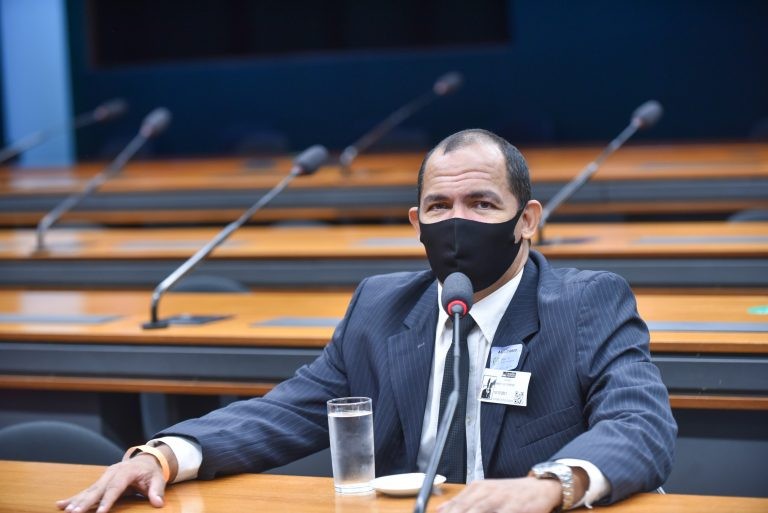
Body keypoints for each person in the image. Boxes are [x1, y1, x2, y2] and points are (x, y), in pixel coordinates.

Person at [58, 129, 676, 513]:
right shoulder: (381, 308)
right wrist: (165, 455)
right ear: (416, 223)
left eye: (482, 204)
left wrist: (547, 487)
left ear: (527, 219)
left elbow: (640, 424)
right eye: (440, 205)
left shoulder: (588, 302)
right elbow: (287, 410)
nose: (456, 221)